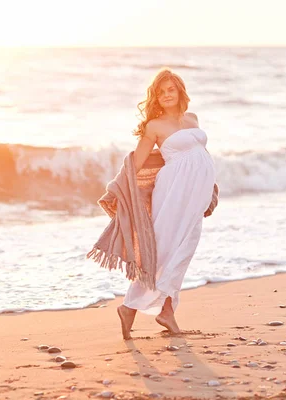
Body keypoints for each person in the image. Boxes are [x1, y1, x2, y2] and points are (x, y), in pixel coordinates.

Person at [116, 68, 217, 338]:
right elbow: (136, 163)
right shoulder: (154, 126)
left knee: (186, 249)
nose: (166, 95)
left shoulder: (192, 119)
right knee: (163, 249)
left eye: (170, 90)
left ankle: (167, 310)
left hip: (197, 193)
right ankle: (130, 307)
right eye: (160, 93)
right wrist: (119, 190)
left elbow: (201, 154)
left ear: (180, 91)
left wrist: (212, 189)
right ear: (155, 98)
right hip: (173, 191)